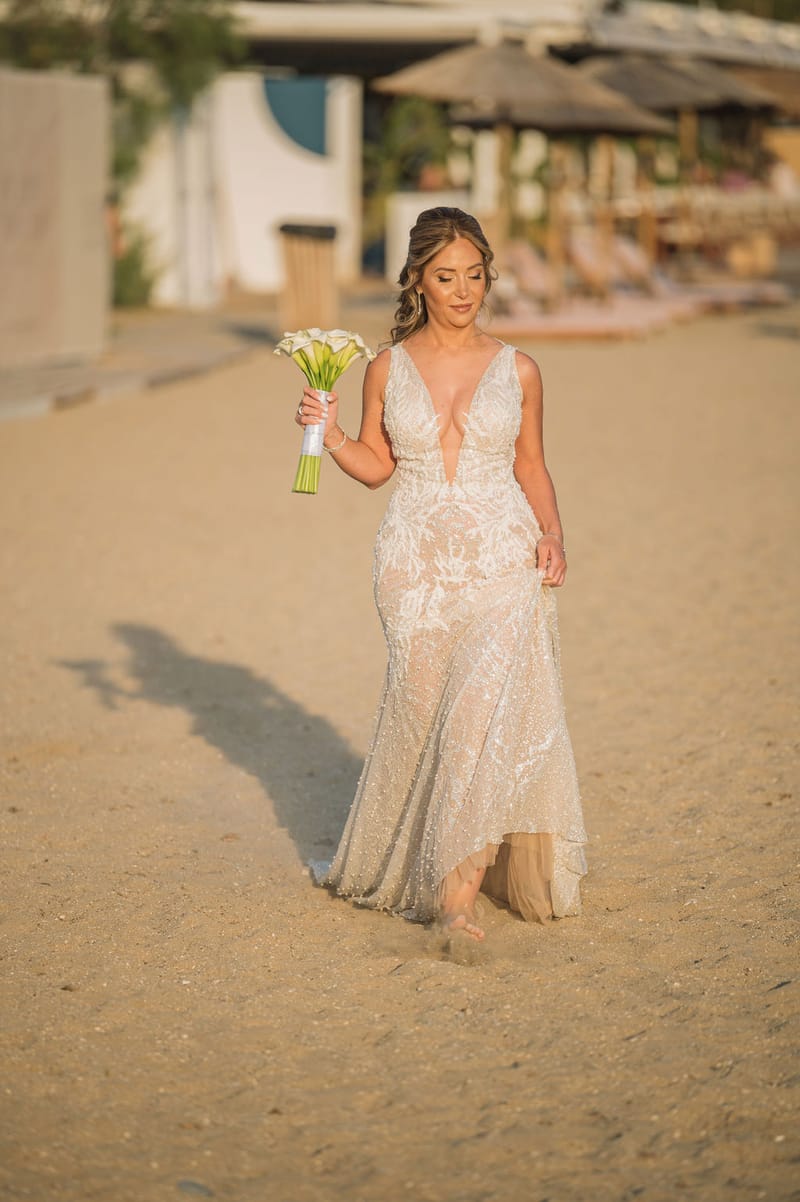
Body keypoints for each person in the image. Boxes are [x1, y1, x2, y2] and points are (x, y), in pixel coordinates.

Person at [296, 207, 587, 943]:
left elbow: (531, 465)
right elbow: (376, 468)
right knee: (424, 715)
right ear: (418, 282)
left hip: (501, 556)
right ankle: (429, 863)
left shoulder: (520, 368)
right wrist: (329, 437)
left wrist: (551, 533)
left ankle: (458, 899)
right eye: (446, 276)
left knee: (478, 723)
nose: (463, 291)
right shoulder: (387, 367)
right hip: (412, 564)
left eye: (475, 275)